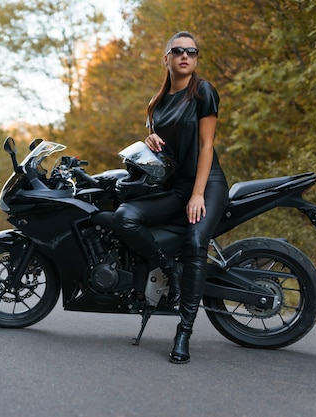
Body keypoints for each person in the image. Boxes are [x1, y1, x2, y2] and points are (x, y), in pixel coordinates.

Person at [112, 31, 229, 364]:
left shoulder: (203, 92)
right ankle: (170, 271)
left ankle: (184, 332)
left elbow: (206, 147)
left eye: (192, 52)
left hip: (208, 184)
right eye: (178, 51)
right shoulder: (156, 104)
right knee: (124, 217)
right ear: (166, 58)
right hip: (175, 188)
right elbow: (164, 153)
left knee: (195, 243)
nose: (185, 56)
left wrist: (197, 194)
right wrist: (149, 138)